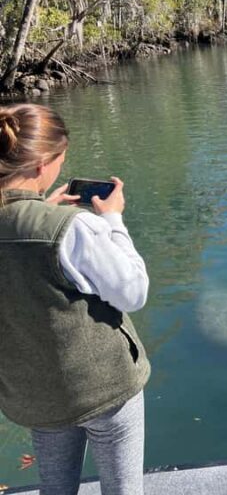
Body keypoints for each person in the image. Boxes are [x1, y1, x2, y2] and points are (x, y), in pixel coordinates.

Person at [0, 103, 150, 495]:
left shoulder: (52, 224)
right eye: (60, 160)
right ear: (40, 165)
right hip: (105, 390)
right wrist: (113, 220)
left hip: (35, 396)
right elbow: (133, 291)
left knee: (56, 488)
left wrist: (39, 207)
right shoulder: (74, 228)